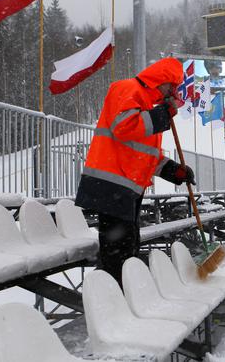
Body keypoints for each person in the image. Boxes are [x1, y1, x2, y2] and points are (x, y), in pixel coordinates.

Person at [75, 57, 196, 286]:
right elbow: (125, 126)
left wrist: (174, 171)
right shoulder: (128, 88)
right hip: (111, 182)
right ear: (163, 81)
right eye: (173, 87)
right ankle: (115, 300)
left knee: (128, 245)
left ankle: (124, 295)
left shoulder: (149, 107)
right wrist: (162, 115)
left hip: (126, 187)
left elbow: (146, 155)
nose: (173, 94)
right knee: (118, 251)